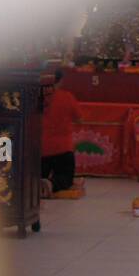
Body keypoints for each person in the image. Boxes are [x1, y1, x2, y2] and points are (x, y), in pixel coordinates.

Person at [40, 66, 81, 198]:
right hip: (63, 149)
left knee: (38, 174)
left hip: (40, 150)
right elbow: (79, 118)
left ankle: (40, 183)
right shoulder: (67, 97)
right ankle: (51, 184)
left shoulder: (35, 98)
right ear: (61, 80)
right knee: (66, 178)